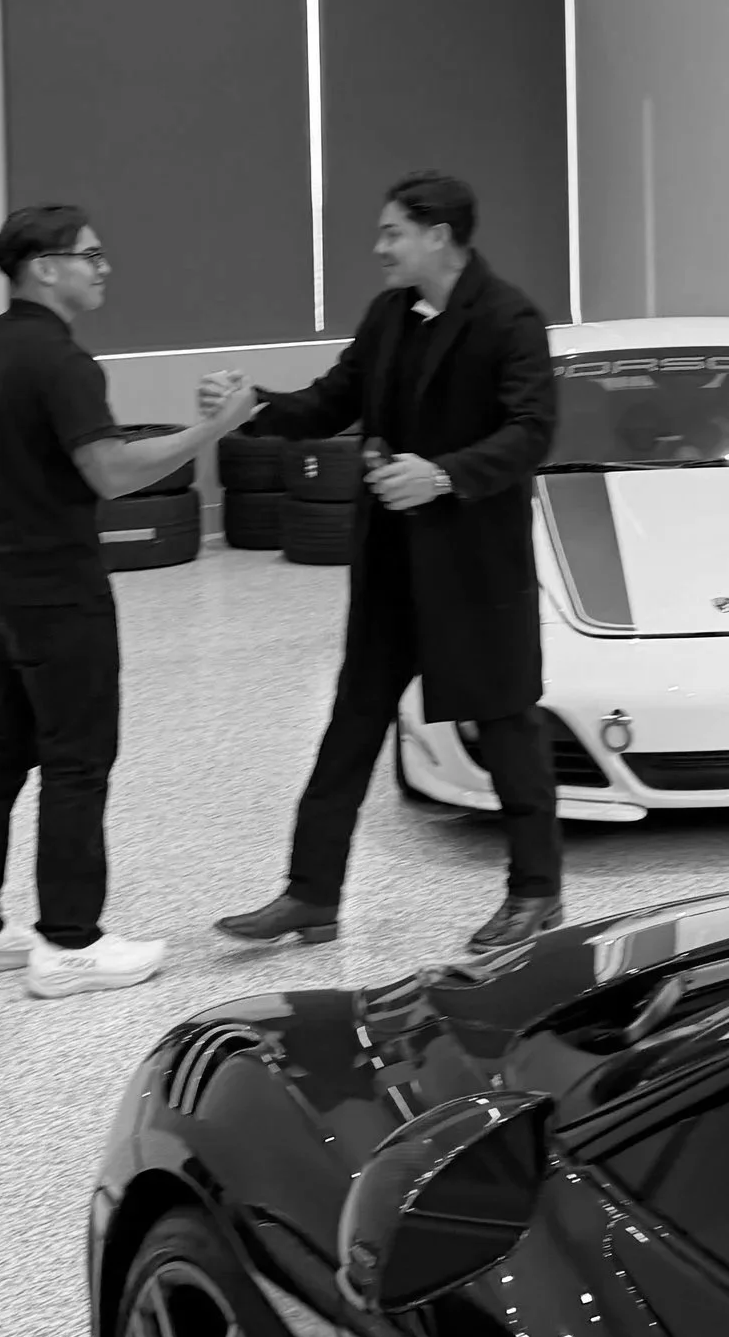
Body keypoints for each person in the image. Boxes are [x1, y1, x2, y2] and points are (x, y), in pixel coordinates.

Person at [212, 171, 562, 957]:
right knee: (351, 726)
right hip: (392, 567)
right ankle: (310, 895)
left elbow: (532, 433)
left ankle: (537, 890)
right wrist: (254, 401)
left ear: (438, 234)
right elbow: (329, 399)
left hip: (473, 567)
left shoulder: (509, 319)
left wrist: (440, 474)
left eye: (391, 232)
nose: (378, 247)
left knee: (508, 726)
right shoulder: (388, 316)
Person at [0, 204, 257, 999]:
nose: (104, 266)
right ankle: (69, 941)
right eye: (90, 255)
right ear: (44, 266)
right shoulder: (62, 362)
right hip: (51, 589)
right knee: (78, 758)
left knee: (3, 747)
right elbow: (108, 472)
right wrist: (209, 429)